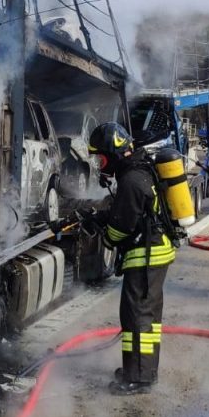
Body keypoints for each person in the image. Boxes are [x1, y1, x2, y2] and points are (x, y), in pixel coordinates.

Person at [88, 122, 176, 394]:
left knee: (139, 316)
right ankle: (136, 369)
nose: (99, 163)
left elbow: (122, 227)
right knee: (137, 315)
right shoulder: (137, 171)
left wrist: (106, 236)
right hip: (151, 251)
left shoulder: (131, 180)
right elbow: (130, 212)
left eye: (100, 157)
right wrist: (98, 217)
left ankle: (140, 378)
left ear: (112, 153)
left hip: (146, 256)